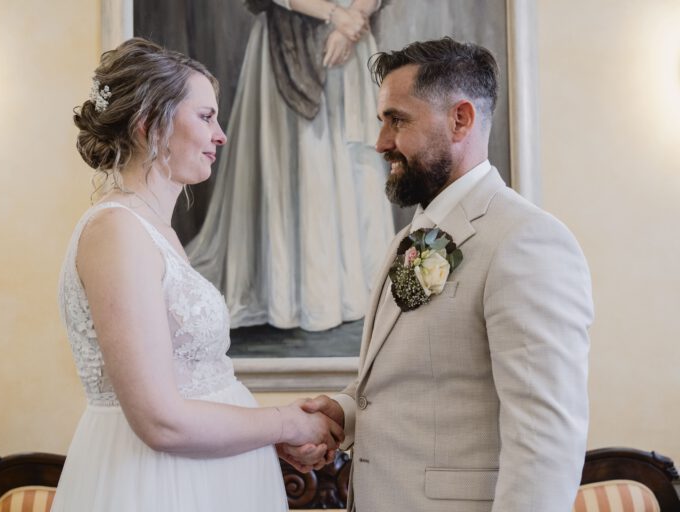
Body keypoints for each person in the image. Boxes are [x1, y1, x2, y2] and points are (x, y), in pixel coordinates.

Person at [282, 37, 594, 511]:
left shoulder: (526, 241)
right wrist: (344, 412)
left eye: (397, 119)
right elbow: (415, 382)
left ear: (460, 119)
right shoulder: (414, 236)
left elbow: (545, 439)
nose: (381, 141)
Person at [53, 38, 342, 511]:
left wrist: (266, 436)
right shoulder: (116, 232)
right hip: (158, 483)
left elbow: (195, 382)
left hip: (210, 474)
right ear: (150, 125)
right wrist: (286, 423)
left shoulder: (151, 229)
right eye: (206, 117)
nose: (221, 135)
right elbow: (159, 420)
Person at [185, 0, 395, 332]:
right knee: (304, 162)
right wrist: (336, 16)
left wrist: (355, 19)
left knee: (355, 161)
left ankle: (357, 290)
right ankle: (302, 296)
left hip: (351, 41)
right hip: (291, 38)